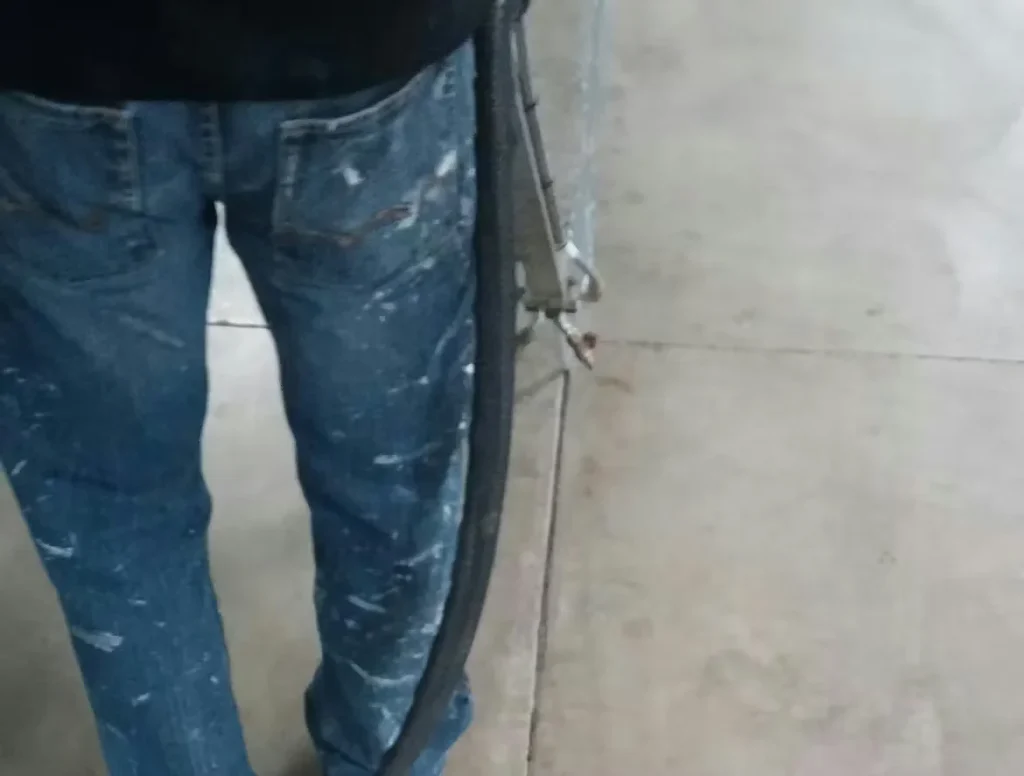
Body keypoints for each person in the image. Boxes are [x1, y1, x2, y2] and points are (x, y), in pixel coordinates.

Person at [0, 2, 491, 774]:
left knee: (113, 509)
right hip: (366, 49)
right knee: (393, 483)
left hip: (52, 65)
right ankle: (390, 753)